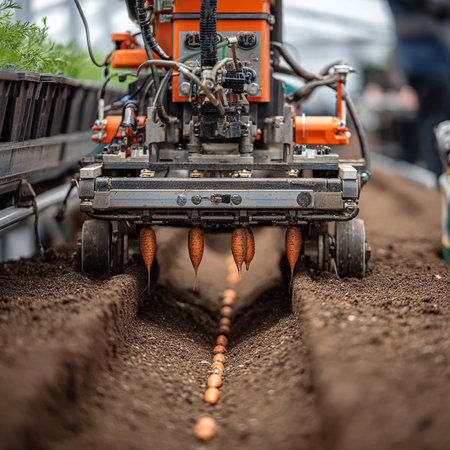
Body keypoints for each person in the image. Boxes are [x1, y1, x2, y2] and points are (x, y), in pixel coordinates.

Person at [388, 0, 450, 175]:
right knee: (436, 121)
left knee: (433, 120)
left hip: (426, 64)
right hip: (430, 65)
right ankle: (437, 174)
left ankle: (435, 172)